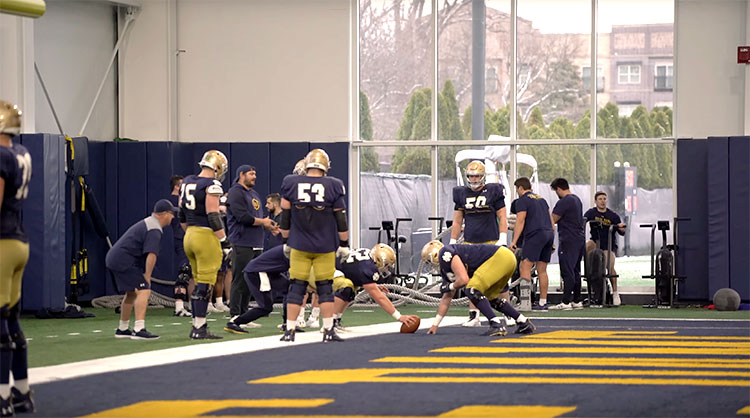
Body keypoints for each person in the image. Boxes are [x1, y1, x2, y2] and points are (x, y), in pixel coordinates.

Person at [279, 149, 350, 343]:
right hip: (324, 246)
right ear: (325, 166)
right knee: (325, 288)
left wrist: (285, 240)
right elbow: (340, 219)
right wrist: (344, 243)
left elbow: (285, 216)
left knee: (296, 287)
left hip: (299, 245)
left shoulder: (291, 182)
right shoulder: (334, 185)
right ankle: (328, 330)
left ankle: (290, 331)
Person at [0, 100, 35, 415]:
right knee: (10, 319)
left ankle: (2, 397)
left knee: (0, 322)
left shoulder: (2, 155)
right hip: (19, 242)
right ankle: (22, 392)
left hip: (2, 243)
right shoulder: (23, 153)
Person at [421, 240, 535, 336]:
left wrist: (450, 286)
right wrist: (435, 325)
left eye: (428, 261)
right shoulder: (446, 267)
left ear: (434, 255)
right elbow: (446, 298)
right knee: (491, 298)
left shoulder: (445, 253)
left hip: (500, 257)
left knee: (472, 289)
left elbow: (463, 280)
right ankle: (523, 322)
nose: (430, 265)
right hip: (506, 258)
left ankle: (496, 324)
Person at [106, 199, 177, 340]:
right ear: (164, 214)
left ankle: (123, 328)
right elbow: (152, 254)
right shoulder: (154, 228)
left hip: (114, 258)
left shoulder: (148, 223)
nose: (173, 217)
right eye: (171, 214)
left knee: (132, 293)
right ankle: (139, 329)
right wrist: (147, 276)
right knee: (144, 289)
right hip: (123, 261)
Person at [450, 160, 509, 327]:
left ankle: (508, 315)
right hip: (469, 243)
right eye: (471, 176)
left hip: (491, 242)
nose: (474, 179)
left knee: (500, 280)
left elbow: (503, 216)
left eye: (476, 176)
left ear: (483, 176)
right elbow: (456, 221)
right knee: (471, 281)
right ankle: (474, 316)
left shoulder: (493, 191)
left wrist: (503, 238)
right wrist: (453, 241)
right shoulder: (461, 193)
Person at [180, 150, 230, 339]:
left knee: (197, 279)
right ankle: (200, 327)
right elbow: (212, 215)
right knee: (205, 284)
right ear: (217, 167)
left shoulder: (187, 182)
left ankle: (196, 324)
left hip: (190, 234)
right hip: (205, 235)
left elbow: (181, 214)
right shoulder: (212, 184)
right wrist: (224, 241)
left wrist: (191, 232)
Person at [226, 165, 277, 318]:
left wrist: (268, 227)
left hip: (256, 241)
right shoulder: (235, 192)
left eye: (255, 174)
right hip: (242, 241)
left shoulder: (253, 193)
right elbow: (243, 217)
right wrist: (263, 222)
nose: (254, 177)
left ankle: (243, 315)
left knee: (251, 280)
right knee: (240, 279)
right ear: (241, 175)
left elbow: (256, 218)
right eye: (251, 174)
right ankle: (235, 314)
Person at [333, 244, 419, 332]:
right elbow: (379, 297)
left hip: (336, 270)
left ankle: (336, 321)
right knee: (346, 288)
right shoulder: (367, 268)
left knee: (350, 292)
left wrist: (374, 285)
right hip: (328, 271)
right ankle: (330, 323)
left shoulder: (368, 258)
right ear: (379, 260)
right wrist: (399, 316)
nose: (386, 268)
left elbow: (354, 271)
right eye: (386, 265)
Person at [509, 177, 553, 311]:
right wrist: (552, 242)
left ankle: (525, 302)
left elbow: (520, 221)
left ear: (520, 188)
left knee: (524, 266)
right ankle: (542, 303)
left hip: (535, 235)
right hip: (548, 234)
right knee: (542, 270)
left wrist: (514, 242)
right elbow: (551, 222)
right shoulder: (542, 199)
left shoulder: (522, 200)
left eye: (517, 190)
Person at [224, 245, 290, 334]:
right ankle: (234, 323)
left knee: (290, 290)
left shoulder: (297, 247)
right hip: (258, 271)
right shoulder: (296, 250)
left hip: (269, 271)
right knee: (265, 307)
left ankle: (288, 324)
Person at [583, 191, 626, 306]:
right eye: (600, 199)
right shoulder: (591, 213)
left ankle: (615, 293)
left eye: (604, 199)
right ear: (595, 201)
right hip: (595, 242)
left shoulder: (613, 216)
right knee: (587, 246)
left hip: (608, 245)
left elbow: (622, 231)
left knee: (609, 266)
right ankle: (588, 273)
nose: (602, 201)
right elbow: (582, 221)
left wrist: (621, 229)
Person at [549, 178, 585, 310]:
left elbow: (553, 219)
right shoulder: (577, 199)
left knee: (567, 270)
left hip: (568, 240)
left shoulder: (564, 202)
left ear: (559, 189)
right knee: (576, 270)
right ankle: (577, 300)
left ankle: (565, 302)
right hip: (579, 239)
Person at [167, 175, 192, 317]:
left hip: (188, 239)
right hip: (179, 240)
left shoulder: (184, 201)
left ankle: (192, 304)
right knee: (183, 271)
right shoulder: (170, 204)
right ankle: (179, 306)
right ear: (177, 186)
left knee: (191, 273)